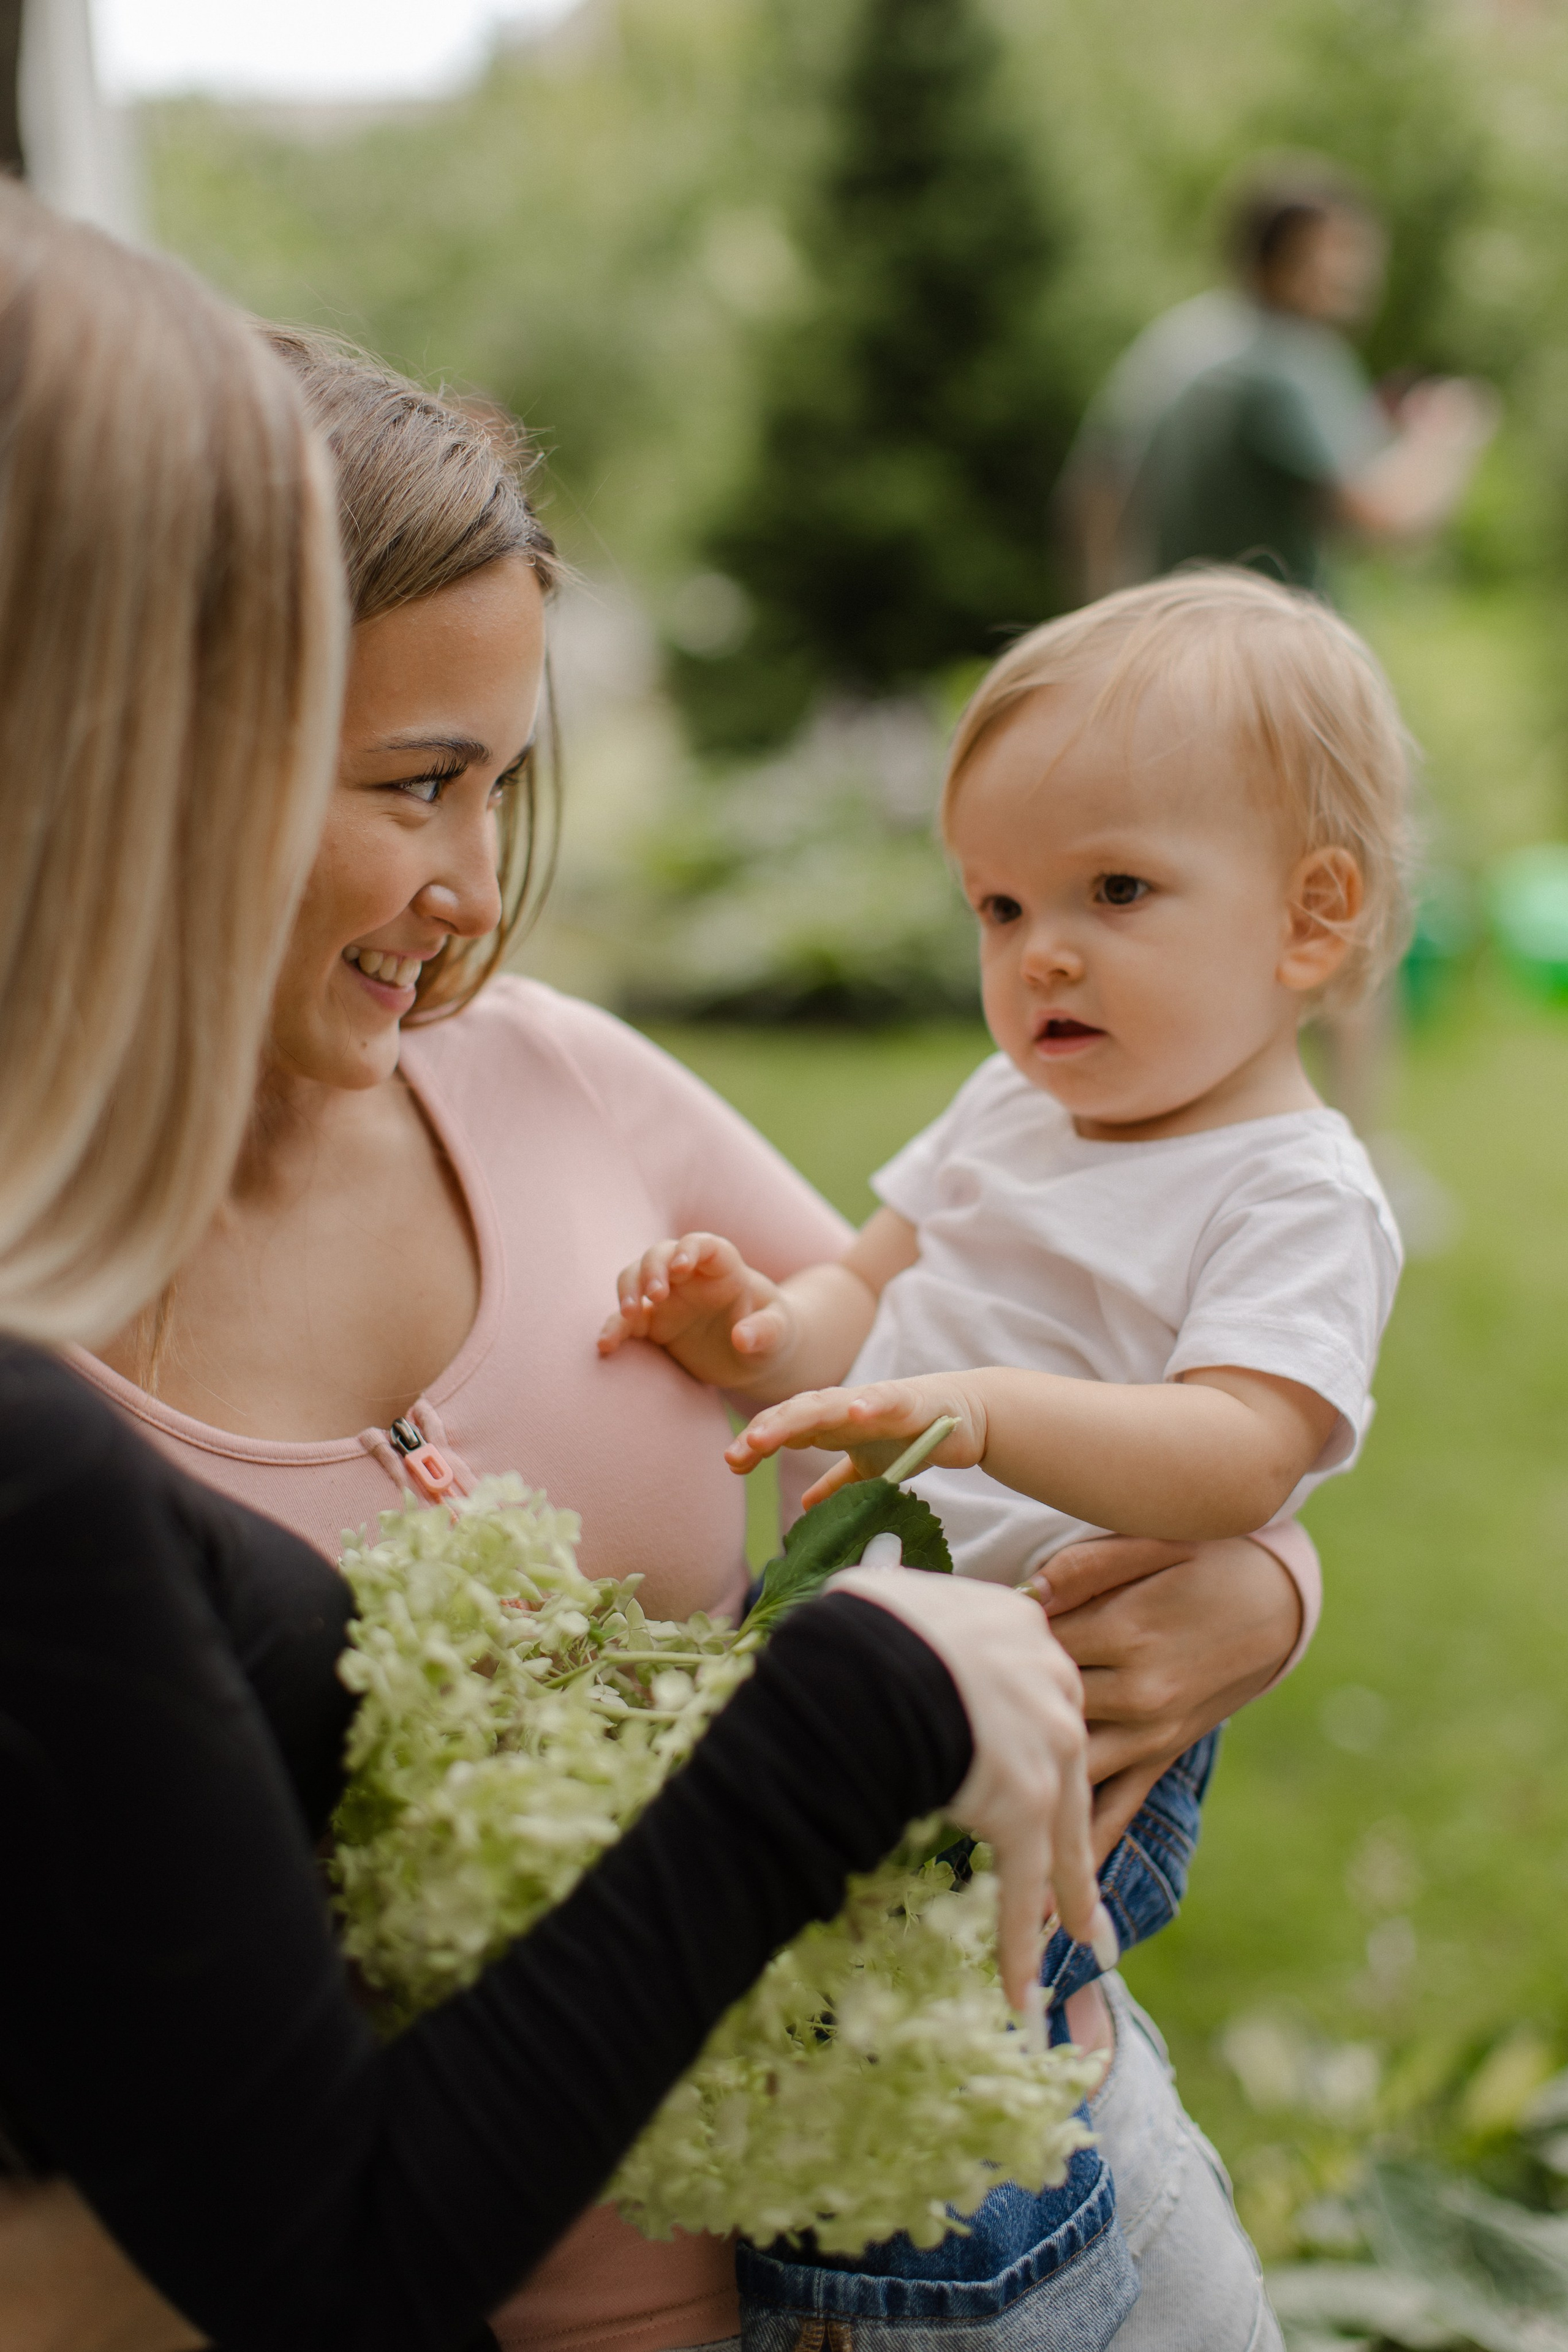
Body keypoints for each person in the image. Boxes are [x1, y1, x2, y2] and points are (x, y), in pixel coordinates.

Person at [66, 333, 1318, 2351]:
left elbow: (1005, 1394)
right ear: (144, 748)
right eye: (417, 785)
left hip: (1043, 2237)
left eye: (508, 786)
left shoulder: (559, 1086)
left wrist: (1267, 1576)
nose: (477, 893)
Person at [605, 567, 1411, 2349]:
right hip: (867, 1644)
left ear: (1307, 917)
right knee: (798, 1979)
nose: (1037, 949)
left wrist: (979, 1409)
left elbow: (1233, 1452)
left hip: (1064, 1705)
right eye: (998, 902)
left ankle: (927, 2309)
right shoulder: (1009, 1111)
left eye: (1113, 891)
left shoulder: (1287, 1189)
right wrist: (752, 1327)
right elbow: (855, 1302)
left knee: (930, 2050)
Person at [1063, 155, 1496, 601]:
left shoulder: (1180, 338)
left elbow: (1096, 487)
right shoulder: (1286, 361)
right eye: (1339, 251)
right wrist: (1446, 434)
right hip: (1268, 651)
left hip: (1179, 637)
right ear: (1277, 259)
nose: (1361, 272)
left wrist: (1110, 612)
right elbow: (1385, 520)